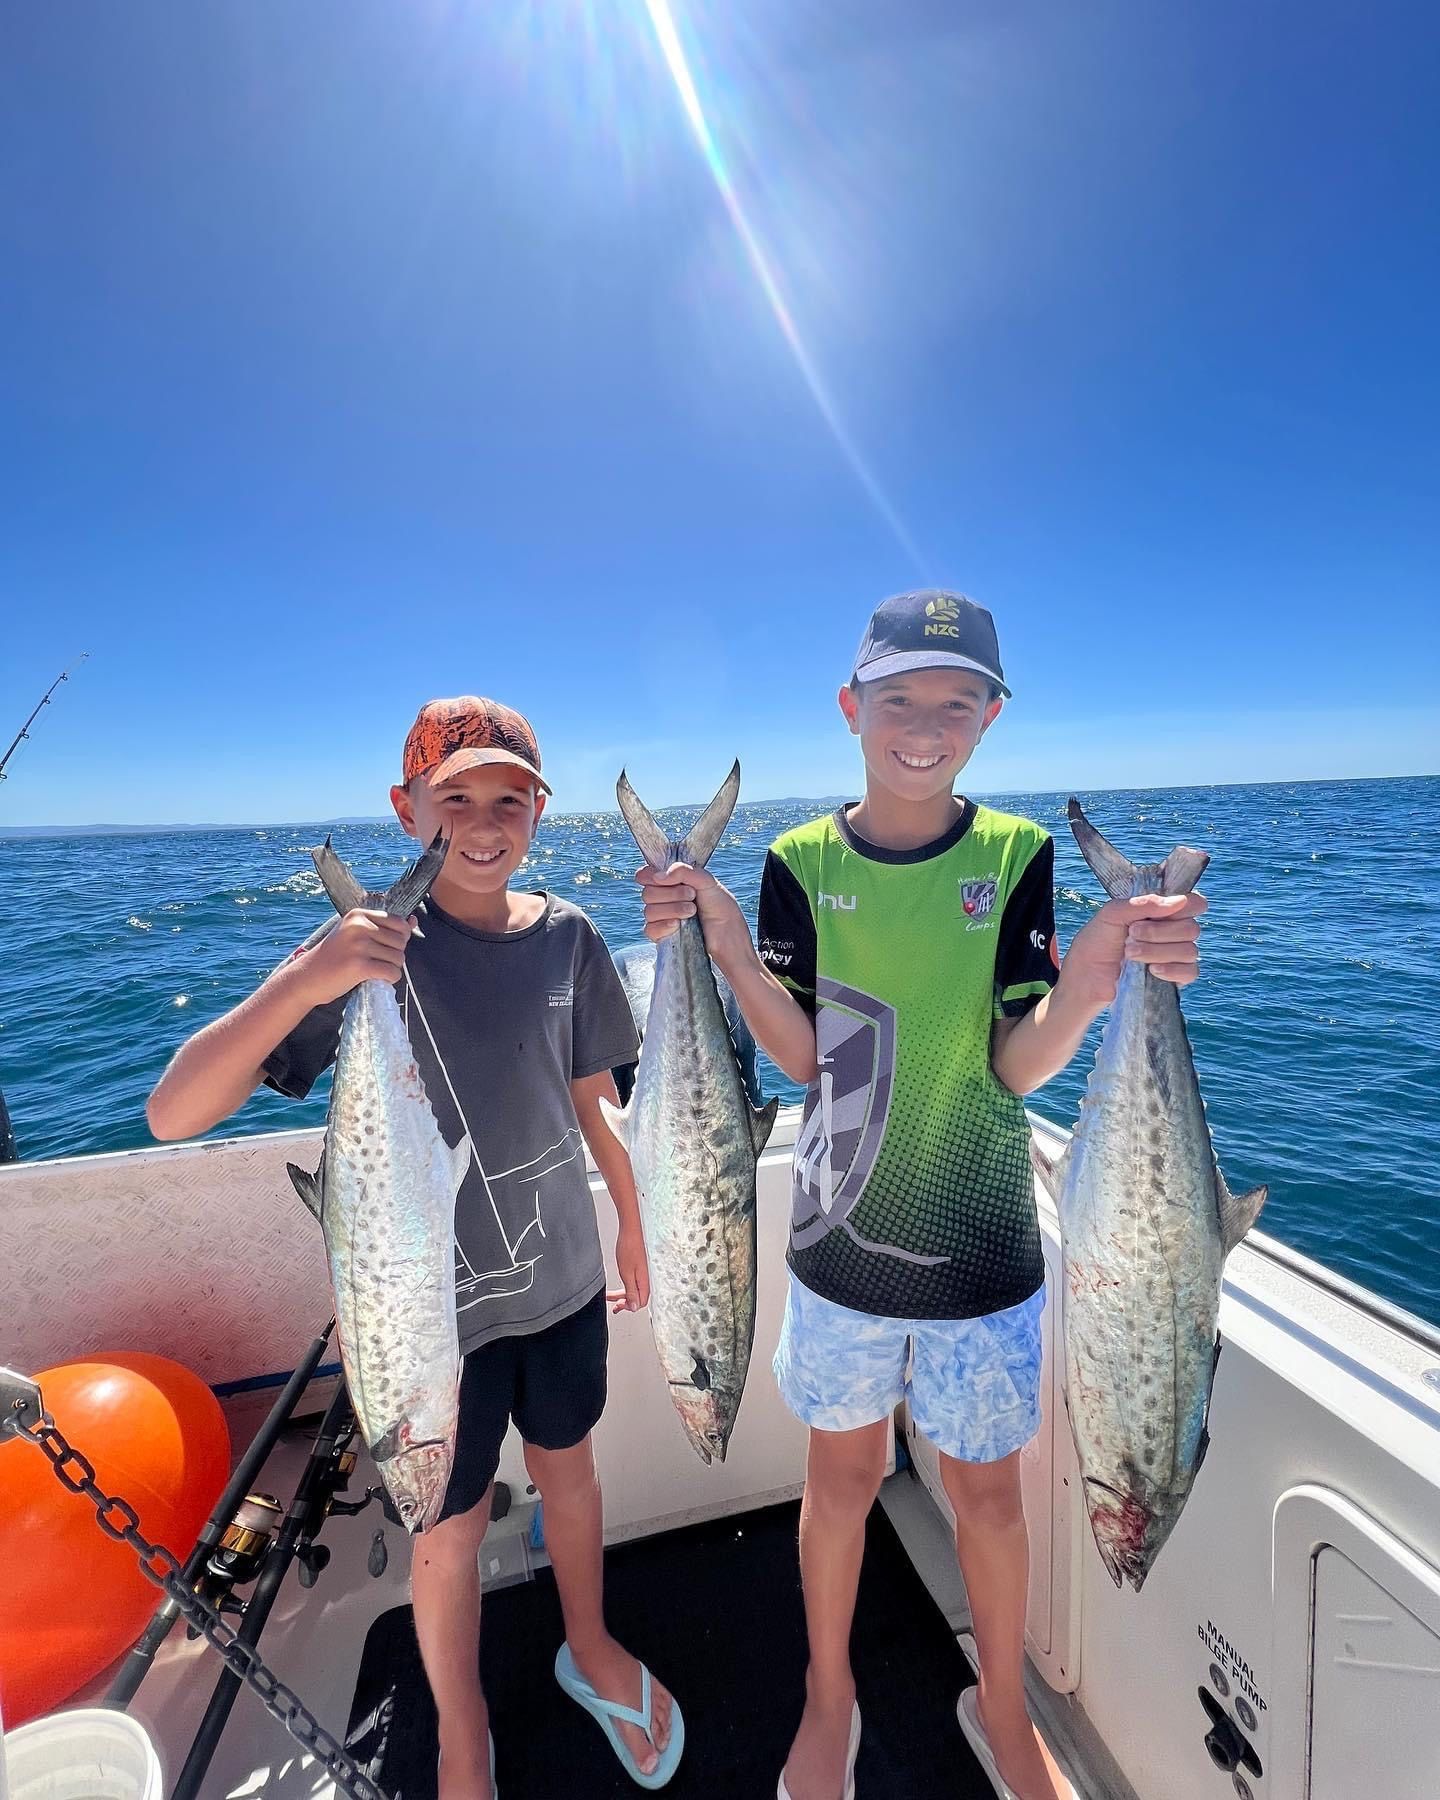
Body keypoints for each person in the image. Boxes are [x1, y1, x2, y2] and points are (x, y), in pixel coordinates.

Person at [636, 592, 1204, 1800]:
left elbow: (1015, 1062)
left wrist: (1097, 982)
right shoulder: (799, 862)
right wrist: (730, 950)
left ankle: (1002, 1707)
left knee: (988, 1496)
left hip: (986, 1245)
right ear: (852, 709)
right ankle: (828, 1695)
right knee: (837, 1482)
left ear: (990, 717)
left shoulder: (1016, 857)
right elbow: (802, 1061)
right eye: (899, 697)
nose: (925, 723)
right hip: (840, 1247)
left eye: (957, 701)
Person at [149, 695, 683, 1800]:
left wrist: (636, 1218)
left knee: (570, 1472)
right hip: (422, 1329)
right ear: (407, 810)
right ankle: (460, 1725)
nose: (483, 825)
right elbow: (172, 1112)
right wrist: (310, 977)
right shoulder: (364, 956)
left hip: (564, 1284)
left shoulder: (572, 938)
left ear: (539, 809)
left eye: (508, 800)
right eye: (455, 802)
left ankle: (586, 1644)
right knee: (446, 1526)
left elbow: (596, 1105)